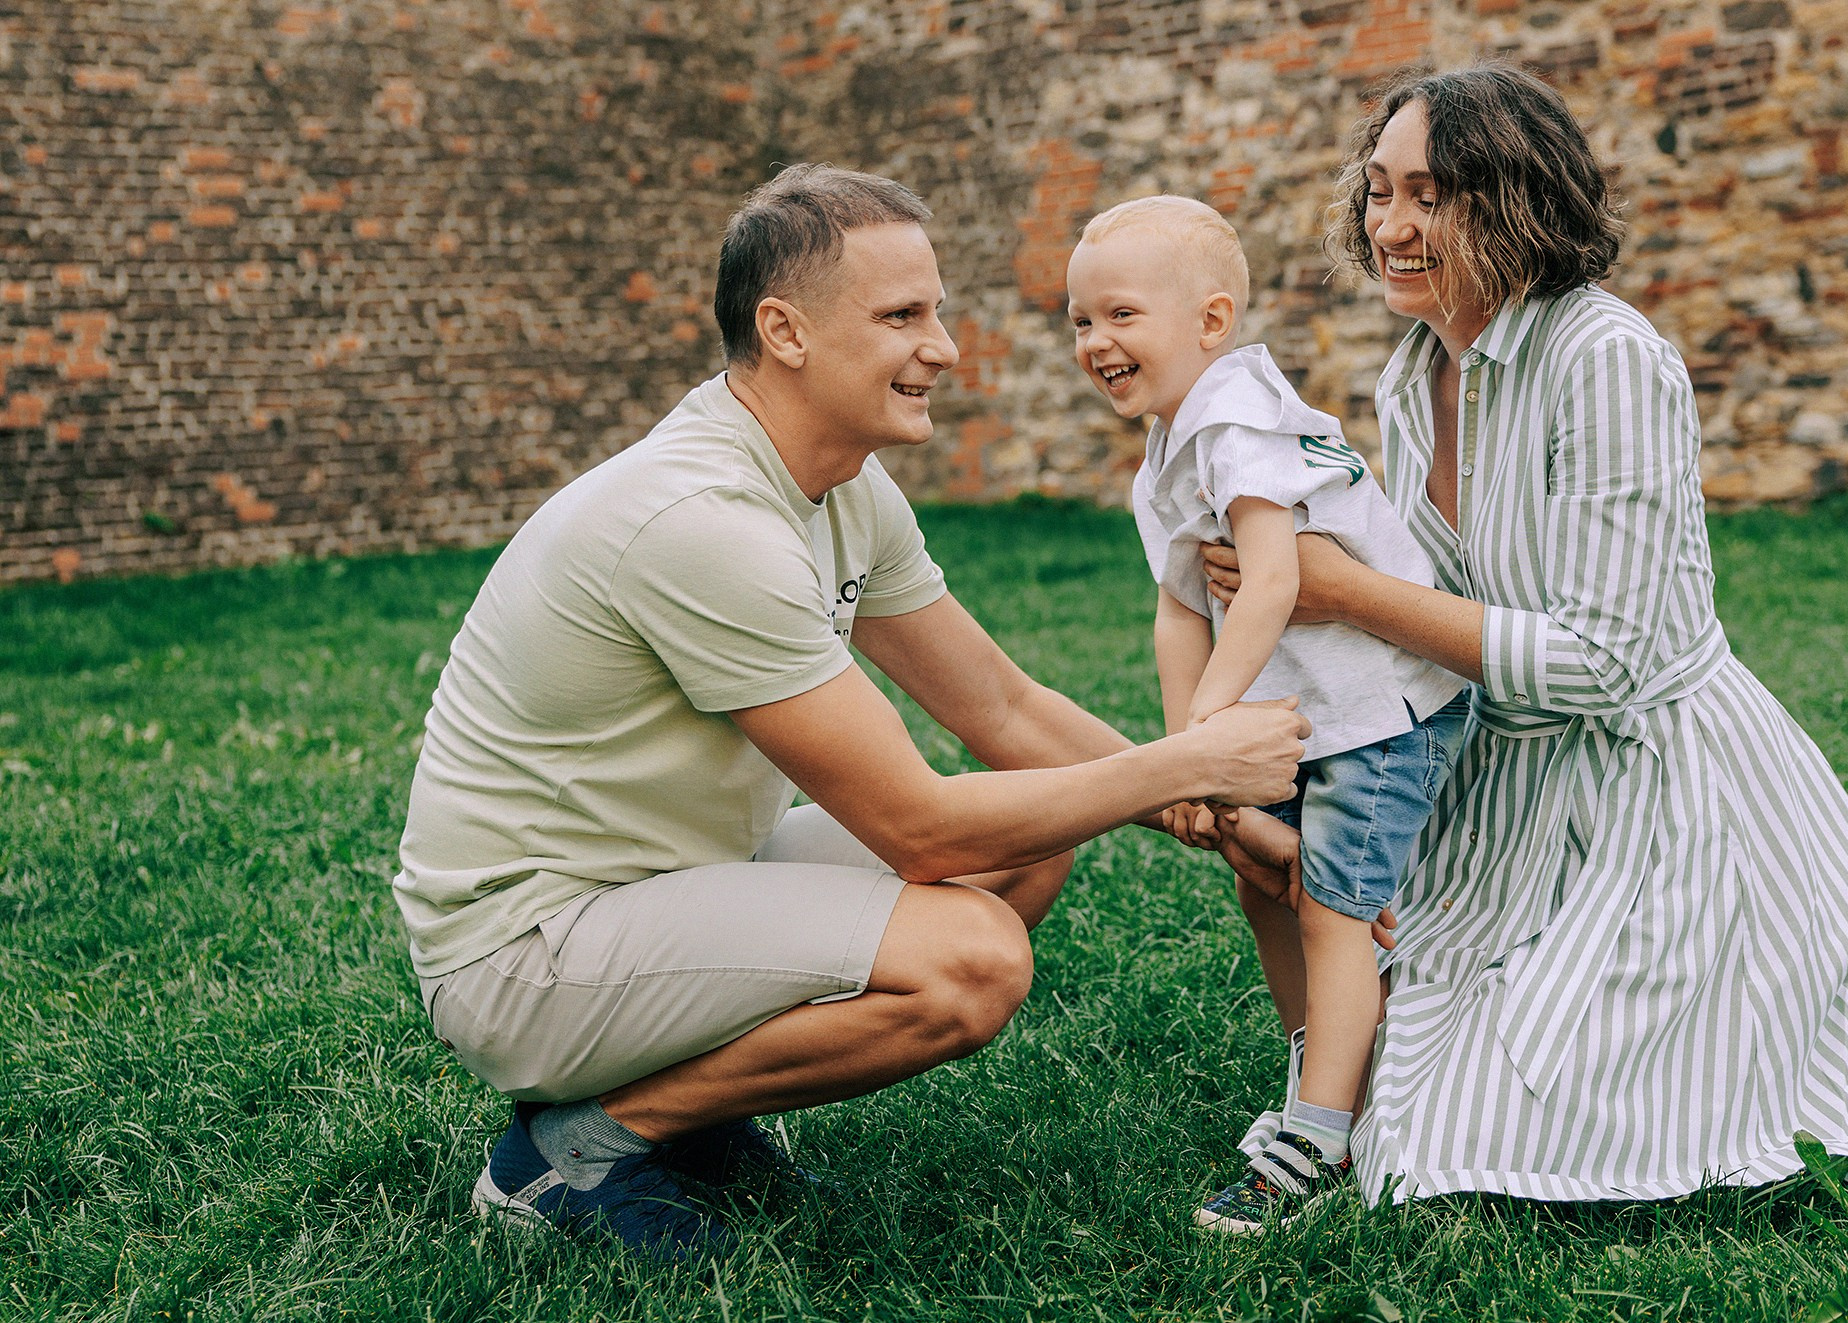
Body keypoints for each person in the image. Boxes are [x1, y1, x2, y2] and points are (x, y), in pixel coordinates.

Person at [393, 164, 1313, 1259]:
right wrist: (1191, 762)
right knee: (969, 960)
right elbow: (917, 828)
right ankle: (577, 1150)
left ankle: (692, 1116)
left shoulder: (842, 485)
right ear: (784, 331)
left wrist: (1224, 820)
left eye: (936, 312)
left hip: (666, 886)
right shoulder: (701, 519)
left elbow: (1000, 706)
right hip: (524, 953)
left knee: (1025, 848)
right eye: (901, 317)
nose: (943, 349)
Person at [1203, 62, 1848, 1203]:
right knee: (1394, 1084)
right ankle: (1333, 1076)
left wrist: (1341, 594)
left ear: (1517, 198)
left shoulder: (1604, 358)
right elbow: (1427, 616)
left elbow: (1605, 661)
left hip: (1654, 793)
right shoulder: (1410, 368)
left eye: (1430, 195)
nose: (1391, 226)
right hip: (1491, 778)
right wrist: (1303, 761)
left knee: (1468, 1138)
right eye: (1378, 192)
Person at [1064, 196, 1466, 1233]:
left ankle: (1321, 1133)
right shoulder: (1170, 447)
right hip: (1306, 711)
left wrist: (1208, 725)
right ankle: (1324, 1082)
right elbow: (1176, 608)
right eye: (1077, 323)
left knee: (1332, 907)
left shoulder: (1237, 412)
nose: (1094, 343)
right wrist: (1185, 755)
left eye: (1117, 315)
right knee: (1265, 887)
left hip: (1377, 706)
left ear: (1209, 322)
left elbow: (1277, 577)